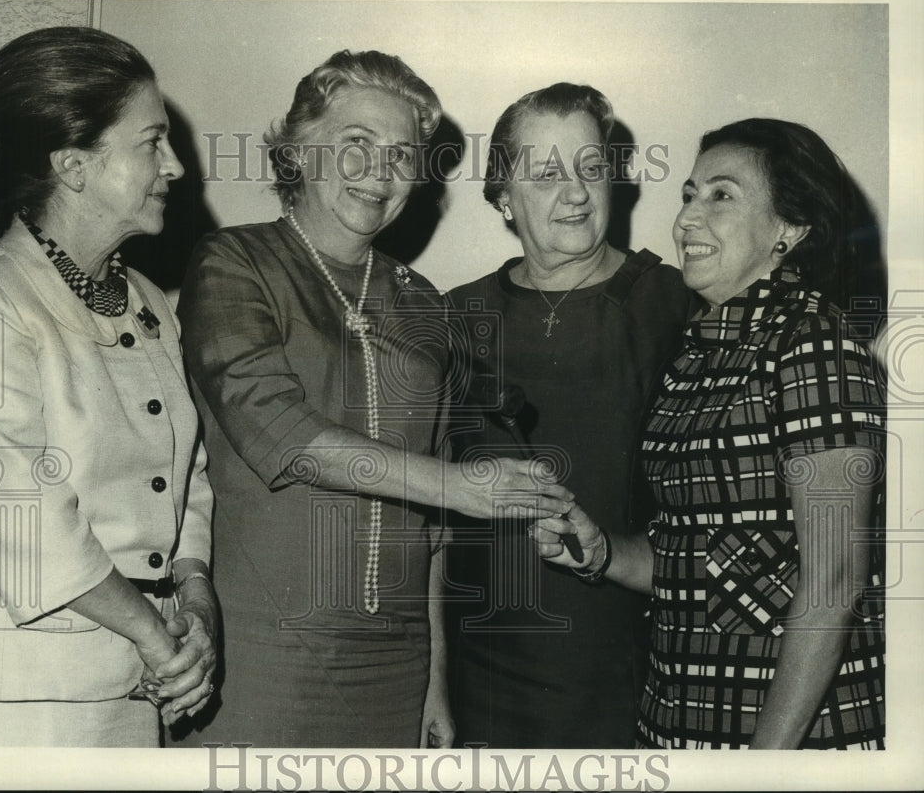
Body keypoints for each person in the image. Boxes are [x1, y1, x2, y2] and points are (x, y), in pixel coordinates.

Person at [175, 50, 573, 749]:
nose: (381, 173)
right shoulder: (233, 262)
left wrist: (436, 681)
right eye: (357, 145)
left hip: (396, 663)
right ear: (298, 149)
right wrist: (456, 485)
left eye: (401, 156)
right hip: (261, 652)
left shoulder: (423, 304)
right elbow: (278, 428)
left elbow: (433, 527)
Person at [534, 118, 886, 749]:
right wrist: (604, 550)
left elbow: (834, 580)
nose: (688, 219)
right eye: (690, 196)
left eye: (721, 195)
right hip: (681, 721)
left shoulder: (817, 347)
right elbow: (691, 561)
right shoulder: (698, 359)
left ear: (791, 228)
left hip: (788, 738)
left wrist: (761, 767)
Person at [0, 26, 217, 747]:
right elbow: (17, 509)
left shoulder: (151, 303)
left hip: (140, 682)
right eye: (152, 143)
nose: (177, 167)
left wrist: (196, 604)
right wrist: (156, 635)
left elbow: (187, 478)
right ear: (73, 165)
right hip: (29, 700)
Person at [443, 83, 695, 748]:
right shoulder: (452, 319)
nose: (577, 192)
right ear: (502, 196)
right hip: (486, 676)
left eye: (591, 168)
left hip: (636, 667)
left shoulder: (673, 303)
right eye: (546, 174)